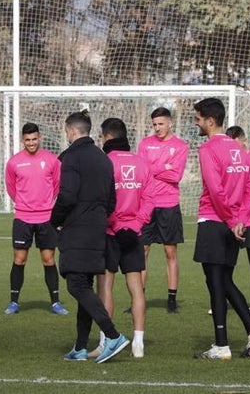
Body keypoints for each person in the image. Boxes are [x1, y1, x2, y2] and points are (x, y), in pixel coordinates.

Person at [191, 98, 250, 361]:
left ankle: (222, 346)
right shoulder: (239, 149)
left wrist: (232, 220)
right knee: (224, 281)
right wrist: (241, 219)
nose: (196, 123)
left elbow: (216, 190)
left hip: (215, 222)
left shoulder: (208, 149)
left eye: (198, 118)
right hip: (233, 224)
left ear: (211, 121)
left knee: (216, 283)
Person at [53, 111, 127, 363]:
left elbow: (67, 195)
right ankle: (81, 347)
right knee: (84, 283)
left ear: (71, 130)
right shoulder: (104, 159)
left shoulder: (71, 157)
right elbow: (111, 200)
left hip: (77, 228)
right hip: (97, 229)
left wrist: (56, 220)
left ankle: (113, 334)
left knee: (76, 284)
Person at [94, 117, 150, 358]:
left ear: (106, 137)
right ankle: (139, 343)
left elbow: (102, 202)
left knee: (105, 287)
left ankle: (107, 340)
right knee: (136, 288)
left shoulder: (104, 163)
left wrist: (117, 225)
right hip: (134, 234)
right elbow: (150, 200)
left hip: (110, 233)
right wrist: (135, 225)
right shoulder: (142, 162)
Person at [4, 122, 66, 316]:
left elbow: (57, 185)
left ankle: (55, 302)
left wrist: (44, 204)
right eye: (27, 140)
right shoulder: (14, 162)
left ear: (39, 138)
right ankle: (14, 302)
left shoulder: (52, 160)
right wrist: (25, 204)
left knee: (48, 259)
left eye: (34, 139)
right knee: (19, 259)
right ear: (23, 140)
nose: (31, 143)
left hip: (46, 218)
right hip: (23, 217)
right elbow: (11, 188)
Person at [137, 107, 188, 313]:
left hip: (169, 204)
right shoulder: (145, 144)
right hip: (147, 204)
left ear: (170, 123)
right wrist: (164, 167)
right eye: (154, 125)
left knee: (170, 252)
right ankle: (139, 299)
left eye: (160, 124)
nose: (157, 128)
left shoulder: (180, 146)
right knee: (143, 252)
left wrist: (154, 169)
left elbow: (176, 176)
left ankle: (171, 300)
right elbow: (142, 171)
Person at [227, 126, 250, 317]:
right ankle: (225, 300)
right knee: (226, 263)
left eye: (236, 144)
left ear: (243, 140)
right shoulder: (228, 160)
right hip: (232, 220)